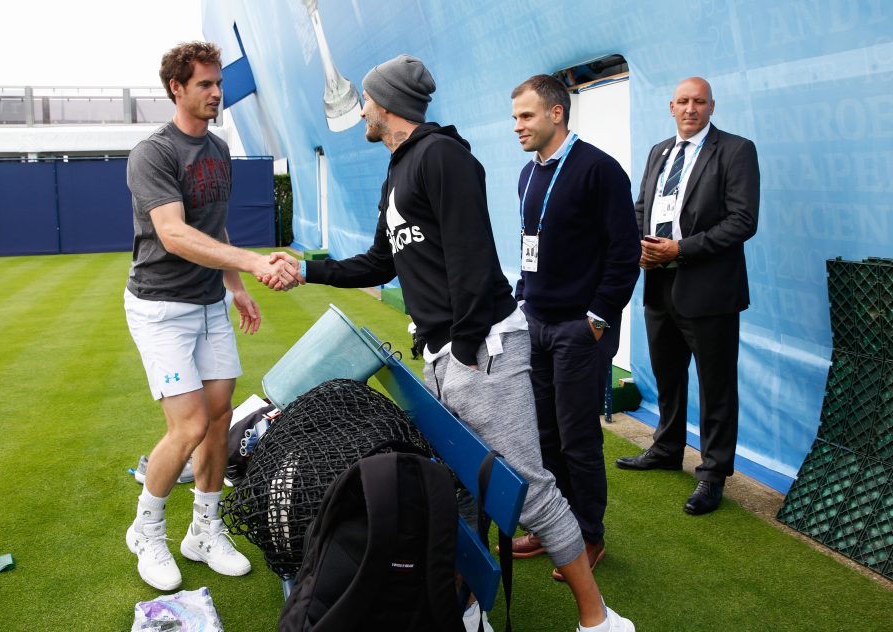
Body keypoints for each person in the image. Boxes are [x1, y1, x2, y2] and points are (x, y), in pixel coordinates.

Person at [284, 54, 633, 632]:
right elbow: (379, 261)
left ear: (387, 103)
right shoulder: (397, 168)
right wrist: (305, 271)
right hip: (443, 353)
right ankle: (467, 609)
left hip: (483, 349)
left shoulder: (443, 156)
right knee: (458, 487)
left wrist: (467, 348)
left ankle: (598, 620)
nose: (362, 109)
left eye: (367, 100)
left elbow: (473, 260)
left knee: (531, 488)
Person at [123, 41, 302, 591]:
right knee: (191, 424)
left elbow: (212, 226)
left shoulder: (219, 149)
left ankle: (203, 530)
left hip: (209, 306)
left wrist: (237, 286)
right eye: (204, 84)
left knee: (220, 416)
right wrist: (252, 261)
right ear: (176, 88)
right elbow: (175, 235)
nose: (217, 93)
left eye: (218, 83)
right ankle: (146, 531)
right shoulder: (153, 153)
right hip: (160, 309)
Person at [507, 75, 639, 578]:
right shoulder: (527, 174)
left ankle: (588, 537)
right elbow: (530, 246)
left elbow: (625, 253)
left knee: (577, 437)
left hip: (579, 331)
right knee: (541, 435)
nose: (517, 125)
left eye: (526, 116)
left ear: (556, 114)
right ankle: (551, 529)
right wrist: (523, 302)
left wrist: (598, 318)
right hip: (536, 324)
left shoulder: (599, 170)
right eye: (515, 116)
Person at [615, 77, 760, 516]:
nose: (690, 108)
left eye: (699, 102)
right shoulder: (660, 151)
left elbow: (743, 220)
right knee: (668, 374)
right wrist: (636, 246)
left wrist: (682, 249)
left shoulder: (736, 150)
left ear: (712, 107)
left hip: (710, 290)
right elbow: (641, 208)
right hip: (659, 283)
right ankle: (667, 447)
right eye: (683, 101)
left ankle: (713, 474)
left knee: (716, 386)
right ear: (671, 106)